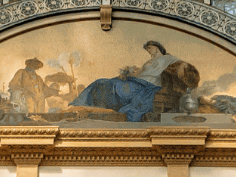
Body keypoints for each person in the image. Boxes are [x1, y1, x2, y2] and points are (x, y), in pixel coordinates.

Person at [71, 40, 200, 121]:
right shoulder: (148, 61)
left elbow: (182, 67)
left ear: (157, 47)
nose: (148, 50)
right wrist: (128, 72)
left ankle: (102, 105)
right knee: (102, 81)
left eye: (150, 48)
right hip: (138, 81)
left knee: (117, 87)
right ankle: (80, 104)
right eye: (147, 49)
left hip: (149, 85)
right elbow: (140, 73)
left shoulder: (168, 59)